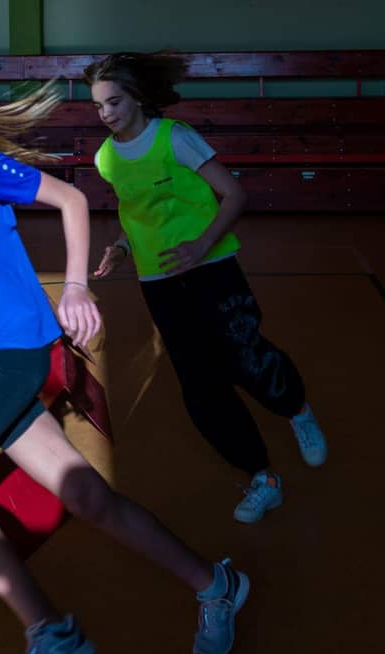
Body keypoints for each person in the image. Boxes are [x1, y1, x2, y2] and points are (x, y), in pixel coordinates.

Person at [0, 59, 250, 654]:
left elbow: (70, 199)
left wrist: (76, 287)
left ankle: (49, 631)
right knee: (88, 497)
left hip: (16, 348)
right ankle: (217, 583)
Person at [85, 52, 328, 524]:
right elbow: (135, 212)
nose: (105, 113)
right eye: (98, 105)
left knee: (245, 357)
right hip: (159, 282)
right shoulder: (106, 158)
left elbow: (235, 195)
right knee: (199, 384)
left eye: (113, 101)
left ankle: (296, 408)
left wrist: (201, 245)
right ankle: (261, 476)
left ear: (136, 98)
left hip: (212, 268)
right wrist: (121, 246)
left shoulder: (175, 138)